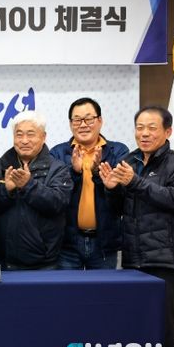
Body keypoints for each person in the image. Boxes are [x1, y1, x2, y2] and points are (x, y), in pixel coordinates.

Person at [99, 106, 174, 347]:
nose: (144, 133)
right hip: (133, 260)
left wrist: (134, 181)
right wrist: (111, 189)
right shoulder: (129, 161)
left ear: (167, 131)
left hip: (165, 260)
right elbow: (118, 209)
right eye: (139, 127)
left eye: (152, 128)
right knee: (135, 330)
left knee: (165, 333)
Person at [50, 98, 129, 269]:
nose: (83, 125)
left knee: (103, 288)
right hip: (67, 244)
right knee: (66, 287)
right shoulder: (57, 153)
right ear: (70, 124)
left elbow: (121, 202)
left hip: (104, 243)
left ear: (100, 121)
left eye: (89, 119)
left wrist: (97, 175)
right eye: (77, 120)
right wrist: (75, 172)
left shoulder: (118, 151)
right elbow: (56, 199)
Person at [0, 110, 72, 270]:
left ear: (43, 137)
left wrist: (28, 185)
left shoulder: (57, 168)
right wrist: (7, 191)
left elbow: (57, 203)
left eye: (31, 134)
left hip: (43, 262)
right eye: (19, 135)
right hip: (5, 259)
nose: (24, 140)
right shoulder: (0, 165)